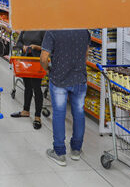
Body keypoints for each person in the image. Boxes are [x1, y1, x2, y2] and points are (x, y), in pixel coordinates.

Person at [40, 29, 90, 166]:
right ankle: (76, 150)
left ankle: (59, 152)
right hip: (79, 78)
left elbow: (44, 58)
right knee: (79, 114)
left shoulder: (52, 32)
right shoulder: (84, 31)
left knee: (59, 114)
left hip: (59, 80)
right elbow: (86, 54)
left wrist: (48, 69)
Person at [10, 31, 46, 129]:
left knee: (36, 88)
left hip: (37, 62)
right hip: (25, 61)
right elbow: (19, 42)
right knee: (27, 86)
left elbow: (48, 47)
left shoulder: (43, 30)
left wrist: (35, 47)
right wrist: (23, 47)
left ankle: (38, 117)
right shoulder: (26, 28)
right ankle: (25, 110)